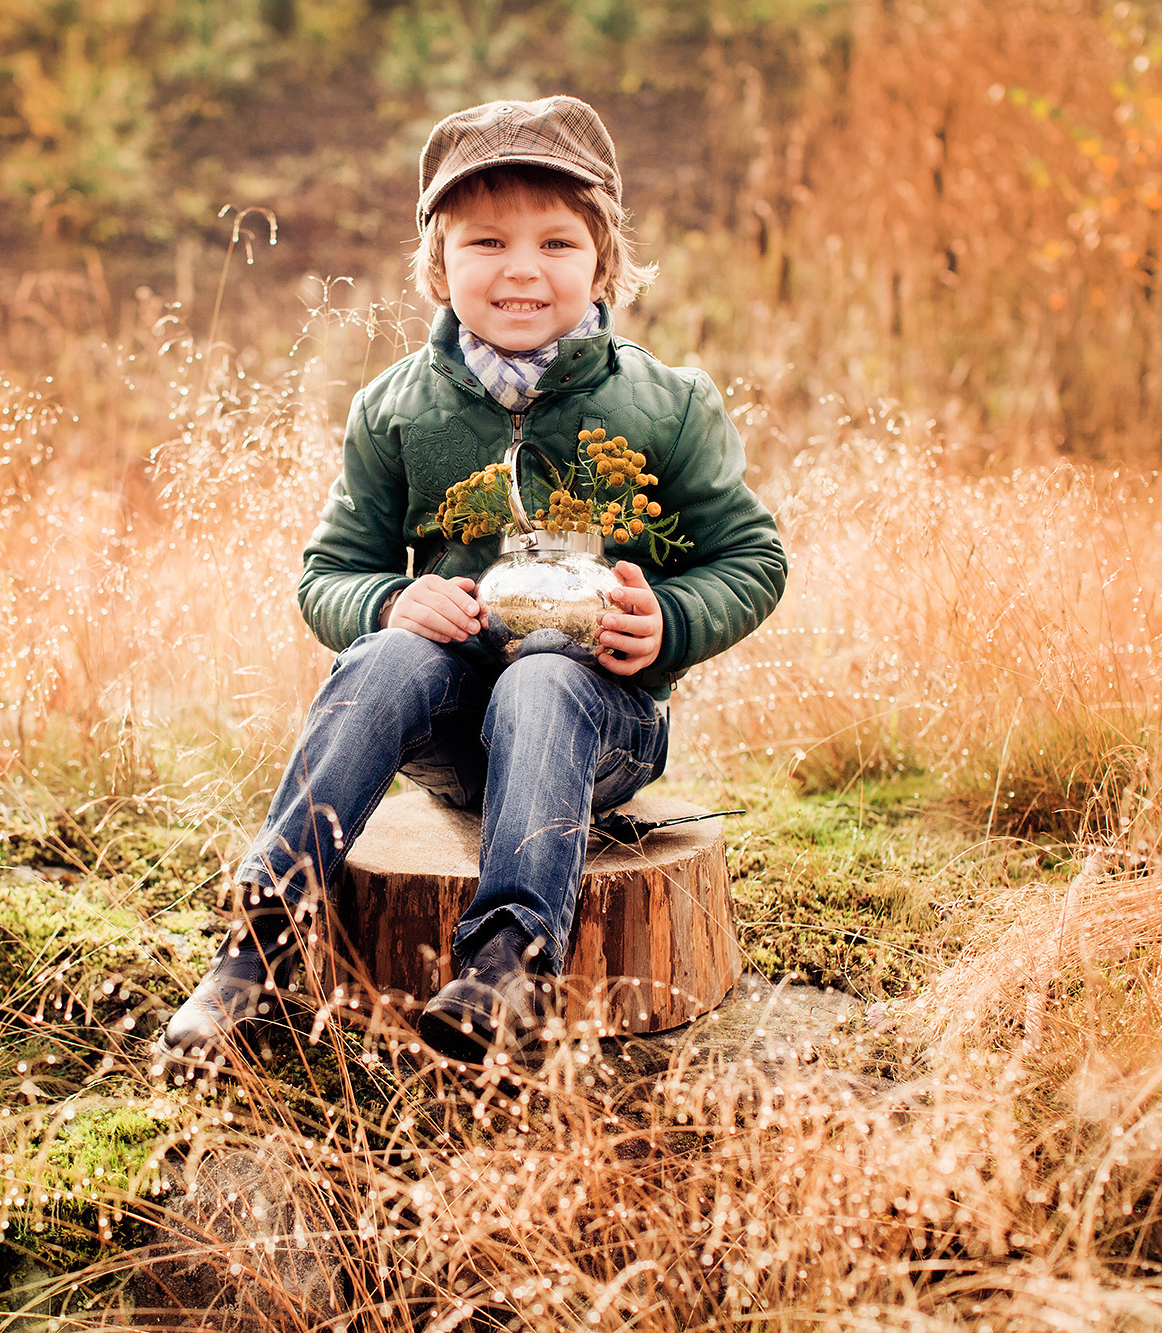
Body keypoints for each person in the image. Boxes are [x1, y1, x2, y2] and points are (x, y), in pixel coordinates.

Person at [158, 95, 787, 1070]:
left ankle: (506, 959)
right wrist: (384, 599)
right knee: (384, 654)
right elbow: (328, 571)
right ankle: (260, 938)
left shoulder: (666, 404)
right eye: (485, 242)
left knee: (543, 674)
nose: (521, 269)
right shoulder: (395, 409)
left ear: (603, 261)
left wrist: (666, 620)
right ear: (436, 264)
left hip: (598, 728)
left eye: (557, 243)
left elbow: (752, 556)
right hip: (452, 739)